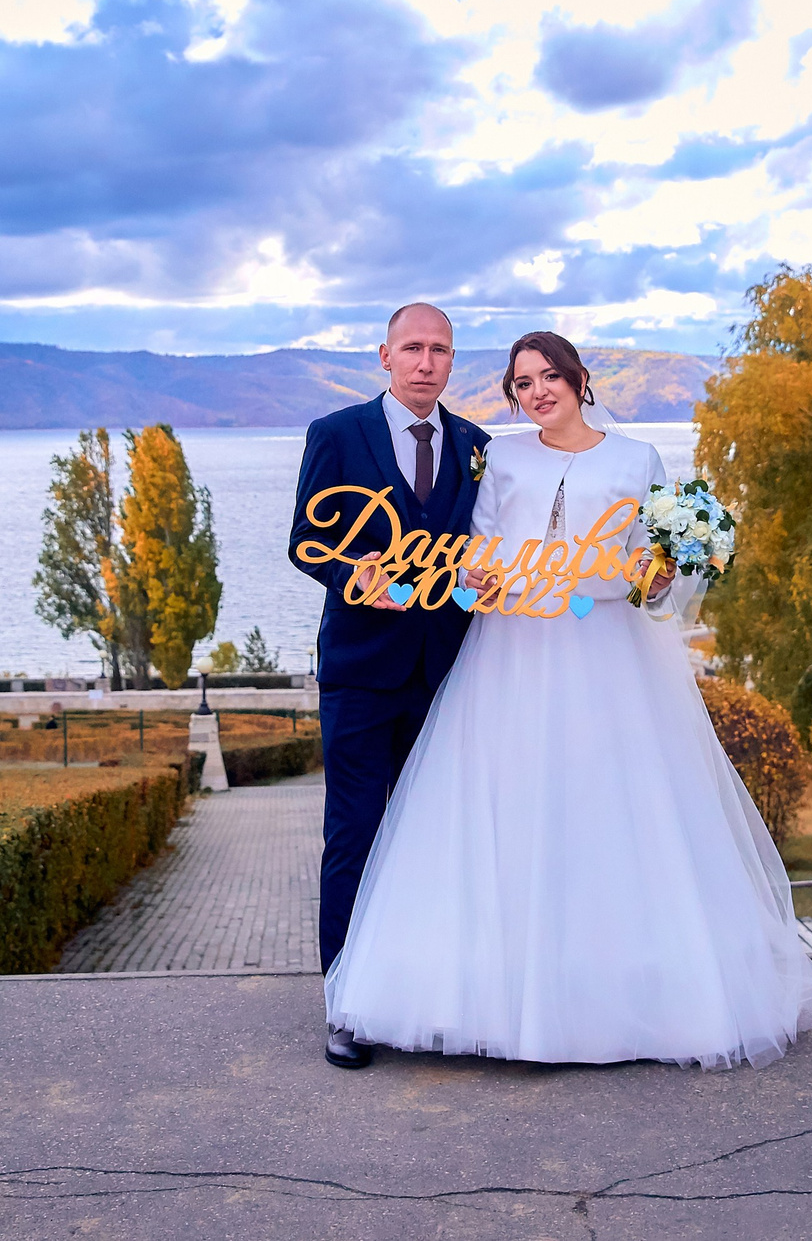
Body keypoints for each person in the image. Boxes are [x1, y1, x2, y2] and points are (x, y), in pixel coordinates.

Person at [323, 331, 812, 1069]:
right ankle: (496, 995)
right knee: (509, 806)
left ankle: (615, 990)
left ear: (579, 378)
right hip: (512, 653)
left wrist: (661, 580)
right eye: (523, 382)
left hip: (608, 656)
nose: (537, 392)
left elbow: (659, 564)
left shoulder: (636, 460)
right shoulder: (503, 456)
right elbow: (482, 545)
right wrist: (477, 577)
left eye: (549, 376)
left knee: (610, 807)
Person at [286, 302, 492, 1068]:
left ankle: (423, 992)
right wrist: (349, 574)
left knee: (432, 836)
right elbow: (304, 540)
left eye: (440, 349)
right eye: (413, 347)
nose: (426, 361)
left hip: (448, 674)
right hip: (362, 676)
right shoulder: (336, 434)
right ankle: (346, 1004)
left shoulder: (475, 444)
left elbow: (482, 544)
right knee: (355, 835)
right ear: (384, 355)